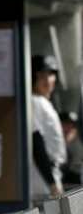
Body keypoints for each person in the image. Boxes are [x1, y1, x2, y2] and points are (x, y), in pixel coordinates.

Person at [31, 55, 67, 200]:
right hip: (42, 179)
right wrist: (51, 183)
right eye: (41, 76)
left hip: (52, 174)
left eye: (50, 75)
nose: (47, 80)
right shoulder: (33, 101)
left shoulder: (44, 102)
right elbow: (35, 142)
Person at [60, 111, 83, 186]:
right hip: (62, 175)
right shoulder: (56, 138)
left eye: (72, 125)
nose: (70, 127)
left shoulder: (78, 137)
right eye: (66, 124)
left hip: (76, 175)